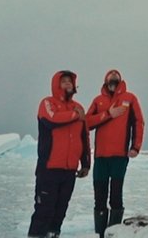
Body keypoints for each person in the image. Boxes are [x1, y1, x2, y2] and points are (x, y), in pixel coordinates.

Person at [29, 70, 91, 238]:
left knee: (60, 210)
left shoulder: (79, 107)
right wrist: (75, 115)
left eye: (70, 81)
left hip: (69, 170)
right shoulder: (47, 103)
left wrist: (85, 163)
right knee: (44, 210)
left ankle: (53, 235)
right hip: (49, 169)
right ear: (56, 85)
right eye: (63, 81)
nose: (68, 84)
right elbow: (52, 120)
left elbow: (84, 137)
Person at [85, 69, 145, 238]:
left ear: (120, 81)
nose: (113, 80)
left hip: (119, 156)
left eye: (116, 78)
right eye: (110, 78)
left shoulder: (130, 99)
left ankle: (113, 233)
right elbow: (87, 123)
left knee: (116, 196)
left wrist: (136, 146)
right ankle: (100, 234)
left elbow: (138, 122)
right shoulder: (98, 101)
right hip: (101, 157)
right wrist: (108, 114)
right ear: (105, 82)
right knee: (100, 196)